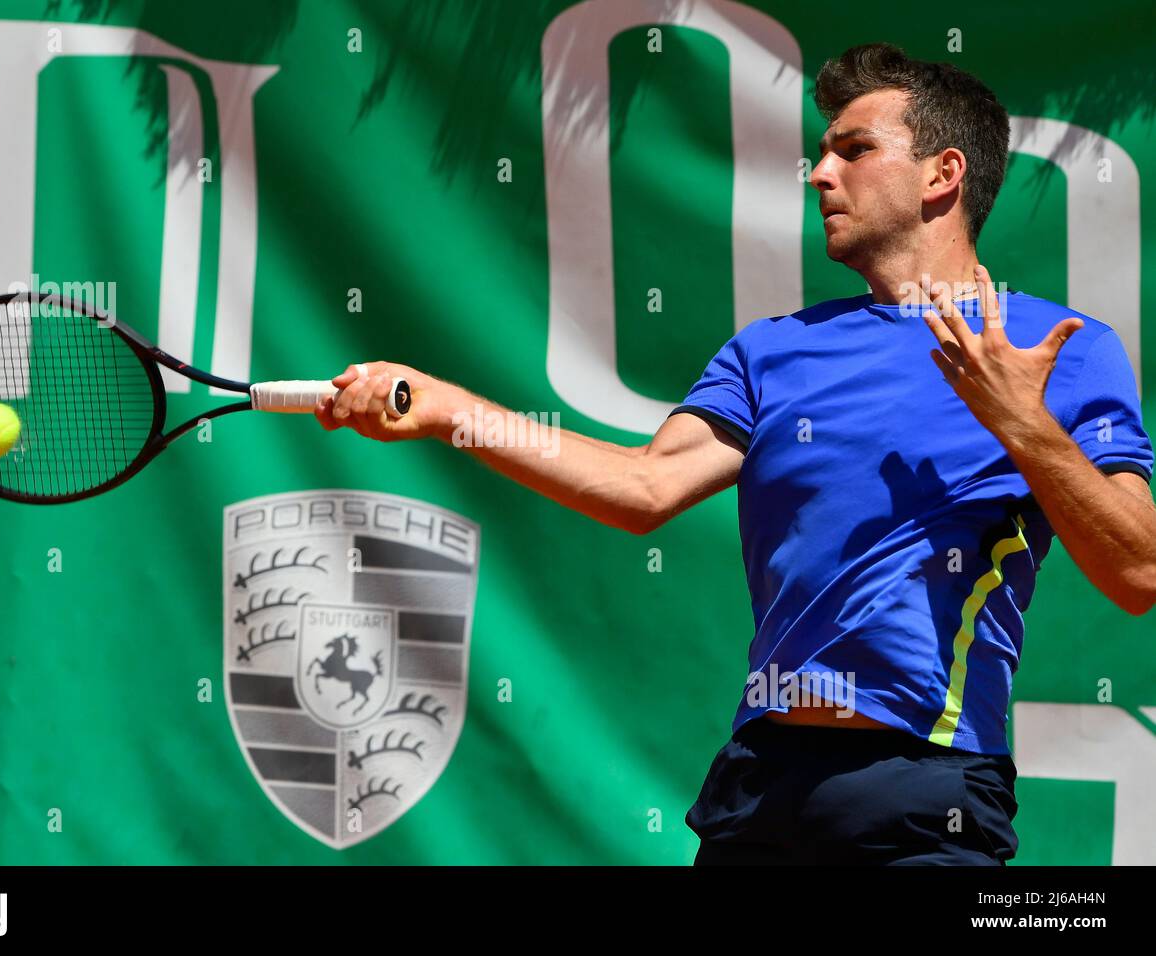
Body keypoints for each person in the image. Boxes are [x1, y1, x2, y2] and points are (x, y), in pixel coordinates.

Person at [311, 43, 1156, 864]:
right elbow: (642, 487)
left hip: (927, 797)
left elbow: (1138, 572)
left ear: (942, 174)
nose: (820, 174)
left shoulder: (1064, 350)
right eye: (820, 154)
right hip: (758, 791)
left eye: (854, 150)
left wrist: (1026, 427)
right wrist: (452, 411)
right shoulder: (771, 352)